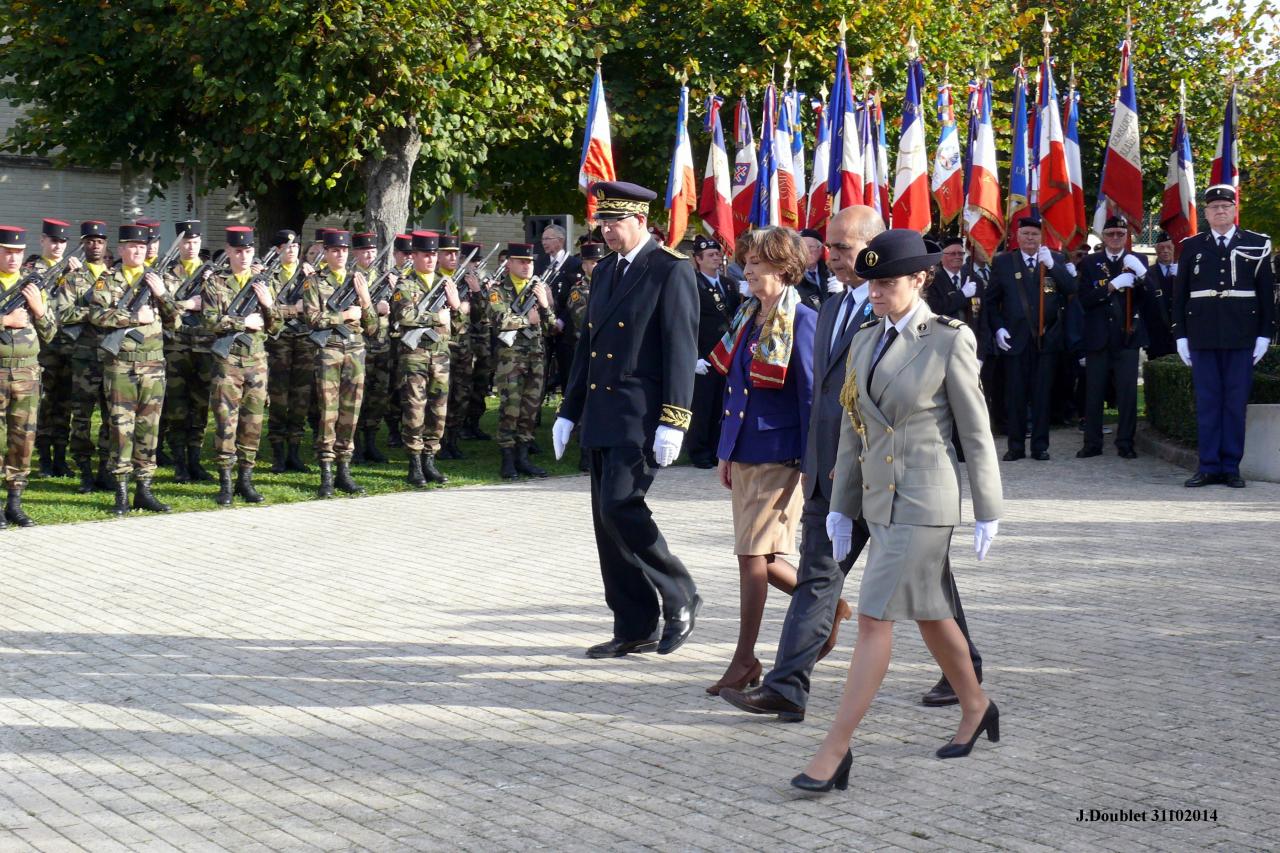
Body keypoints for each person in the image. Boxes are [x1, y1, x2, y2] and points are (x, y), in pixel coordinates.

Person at [792, 229, 1004, 793]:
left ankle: (835, 750)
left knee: (872, 617)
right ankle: (977, 705)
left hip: (926, 499)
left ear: (918, 280)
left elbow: (976, 430)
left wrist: (988, 506)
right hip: (879, 499)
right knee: (932, 614)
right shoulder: (865, 340)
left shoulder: (947, 339)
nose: (876, 293)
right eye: (871, 283)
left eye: (887, 283)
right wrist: (840, 507)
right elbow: (851, 429)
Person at [553, 180, 701, 659]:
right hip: (603, 414)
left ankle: (680, 591)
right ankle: (634, 622)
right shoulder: (605, 271)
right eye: (603, 223)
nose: (607, 233)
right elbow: (588, 348)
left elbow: (681, 347)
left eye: (615, 223)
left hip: (642, 417)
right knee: (606, 522)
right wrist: (569, 410)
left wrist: (674, 419)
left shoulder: (669, 270)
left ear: (641, 220)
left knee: (621, 506)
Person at [705, 226, 816, 695]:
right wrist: (726, 451)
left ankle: (744, 658)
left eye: (760, 261)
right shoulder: (748, 316)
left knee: (751, 556)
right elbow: (735, 391)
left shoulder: (804, 319)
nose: (748, 268)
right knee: (761, 555)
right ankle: (826, 610)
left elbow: (812, 395)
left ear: (785, 267)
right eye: (747, 260)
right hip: (746, 450)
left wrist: (814, 459)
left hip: (781, 454)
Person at [1173, 184, 1275, 488]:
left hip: (1242, 336)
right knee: (1207, 403)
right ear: (1205, 213)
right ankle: (1207, 466)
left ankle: (1231, 467)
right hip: (1202, 336)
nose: (1220, 211)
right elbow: (1180, 296)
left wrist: (1264, 336)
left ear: (1234, 210)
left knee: (1234, 403)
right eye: (1214, 207)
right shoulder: (1191, 245)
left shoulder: (1258, 243)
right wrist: (1180, 336)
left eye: (1225, 206)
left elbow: (1267, 296)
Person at [90, 223, 180, 516]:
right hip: (121, 366)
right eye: (131, 246)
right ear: (120, 249)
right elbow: (97, 315)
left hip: (153, 365)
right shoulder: (107, 280)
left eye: (142, 247)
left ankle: (144, 489)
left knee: (149, 429)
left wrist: (163, 294)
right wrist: (131, 316)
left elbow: (175, 321)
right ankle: (121, 492)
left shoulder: (158, 279)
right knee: (120, 427)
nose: (138, 251)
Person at [984, 215, 1077, 461]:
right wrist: (998, 328)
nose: (1030, 238)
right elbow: (991, 302)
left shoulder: (1054, 259)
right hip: (1015, 339)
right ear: (1017, 236)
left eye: (1035, 234)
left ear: (1042, 237)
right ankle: (1015, 446)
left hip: (1046, 339)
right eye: (1025, 233)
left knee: (1042, 395)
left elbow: (1071, 290)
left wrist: (1055, 267)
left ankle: (1040, 446)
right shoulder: (1004, 262)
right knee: (1015, 395)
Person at [201, 226, 280, 505]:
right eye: (238, 251)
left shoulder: (263, 283)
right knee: (226, 422)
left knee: (253, 422)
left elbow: (276, 327)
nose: (243, 256)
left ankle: (245, 480)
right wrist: (241, 322)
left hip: (257, 362)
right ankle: (225, 481)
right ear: (229, 251)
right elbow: (209, 321)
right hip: (228, 362)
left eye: (248, 251)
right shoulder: (215, 283)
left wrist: (268, 306)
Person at [302, 229, 377, 497]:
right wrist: (344, 315)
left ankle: (344, 470)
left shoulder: (359, 280)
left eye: (344, 250)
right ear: (326, 253)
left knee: (351, 411)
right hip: (329, 352)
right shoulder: (314, 282)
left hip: (355, 352)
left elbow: (373, 328)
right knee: (328, 413)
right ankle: (326, 472)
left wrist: (366, 301)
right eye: (335, 250)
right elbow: (312, 320)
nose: (341, 254)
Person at [0, 225, 57, 527]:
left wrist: (38, 308)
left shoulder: (32, 285)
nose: (13, 258)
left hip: (26, 373)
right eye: (7, 251)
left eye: (18, 253)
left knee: (23, 440)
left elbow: (50, 332)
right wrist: (5, 320)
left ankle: (15, 503)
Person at [1076, 216, 1147, 459]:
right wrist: (1110, 287)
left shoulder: (1138, 260)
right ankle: (1092, 443)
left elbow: (1150, 298)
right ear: (1103, 237)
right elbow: (1084, 300)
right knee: (1094, 393)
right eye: (1111, 234)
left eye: (1120, 234)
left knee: (1127, 394)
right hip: (1098, 337)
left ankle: (1125, 442)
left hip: (1128, 337)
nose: (1116, 238)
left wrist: (1143, 276)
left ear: (1127, 237)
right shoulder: (1090, 262)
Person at [392, 230, 458, 486]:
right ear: (415, 256)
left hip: (440, 356)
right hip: (415, 356)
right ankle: (414, 463)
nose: (430, 259)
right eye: (425, 254)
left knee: (438, 410)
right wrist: (435, 318)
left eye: (433, 254)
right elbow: (404, 316)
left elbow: (459, 325)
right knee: (414, 409)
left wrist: (454, 305)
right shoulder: (405, 283)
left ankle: (430, 458)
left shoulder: (445, 282)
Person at [490, 242, 553, 480]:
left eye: (530, 262)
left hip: (535, 356)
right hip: (511, 358)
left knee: (530, 409)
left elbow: (550, 325)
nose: (527, 266)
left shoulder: (538, 288)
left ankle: (523, 457)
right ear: (510, 264)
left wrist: (545, 305)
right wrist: (528, 319)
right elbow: (500, 319)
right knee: (510, 408)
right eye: (522, 262)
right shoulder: (499, 290)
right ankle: (507, 459)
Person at [61, 220, 113, 494]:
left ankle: (105, 470)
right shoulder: (72, 280)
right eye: (90, 241)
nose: (95, 245)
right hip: (83, 357)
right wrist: (96, 313)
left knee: (110, 416)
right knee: (81, 416)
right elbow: (64, 314)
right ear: (83, 244)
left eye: (100, 241)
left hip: (112, 356)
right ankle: (84, 470)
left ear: (106, 245)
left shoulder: (116, 278)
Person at [162, 220, 215, 484]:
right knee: (176, 406)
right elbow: (164, 308)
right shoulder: (166, 274)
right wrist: (188, 303)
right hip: (176, 347)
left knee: (200, 405)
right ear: (179, 244)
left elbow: (219, 305)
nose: (191, 247)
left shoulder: (213, 273)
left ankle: (195, 460)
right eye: (186, 242)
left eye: (195, 242)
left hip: (205, 346)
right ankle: (179, 463)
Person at [26, 218, 75, 479]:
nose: (58, 246)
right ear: (42, 240)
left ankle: (60, 457)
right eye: (54, 240)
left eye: (62, 241)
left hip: (69, 348)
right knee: (45, 404)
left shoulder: (75, 273)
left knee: (64, 405)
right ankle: (44, 459)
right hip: (43, 349)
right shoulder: (32, 273)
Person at [688, 234, 741, 469]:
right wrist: (693, 356)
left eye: (718, 254)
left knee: (722, 404)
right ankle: (698, 452)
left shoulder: (729, 284)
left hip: (726, 353)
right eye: (710, 255)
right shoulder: (692, 284)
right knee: (703, 406)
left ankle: (716, 449)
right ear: (698, 259)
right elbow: (688, 322)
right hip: (704, 354)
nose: (716, 258)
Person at [265, 229, 316, 473]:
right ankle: (277, 454)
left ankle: (294, 452)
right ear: (277, 250)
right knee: (278, 398)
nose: (292, 249)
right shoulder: (268, 276)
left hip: (304, 341)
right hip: (279, 342)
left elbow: (316, 308)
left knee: (301, 398)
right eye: (287, 246)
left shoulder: (310, 274)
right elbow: (268, 310)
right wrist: (292, 310)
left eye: (296, 246)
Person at [351, 232, 393, 463]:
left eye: (372, 250)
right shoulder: (351, 278)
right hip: (360, 346)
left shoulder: (387, 277)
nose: (369, 254)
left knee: (378, 397)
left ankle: (371, 443)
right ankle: (354, 444)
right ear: (355, 252)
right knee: (358, 396)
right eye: (364, 250)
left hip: (383, 346)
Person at [1141, 231, 1178, 360]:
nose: (1165, 251)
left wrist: (1184, 277)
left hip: (1180, 337)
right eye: (1161, 248)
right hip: (1156, 336)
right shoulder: (1148, 273)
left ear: (1174, 248)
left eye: (1169, 247)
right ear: (1156, 250)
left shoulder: (1185, 272)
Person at [796, 228, 832, 310]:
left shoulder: (831, 270)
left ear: (820, 250)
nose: (806, 251)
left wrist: (840, 293)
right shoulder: (792, 274)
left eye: (811, 247)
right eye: (802, 248)